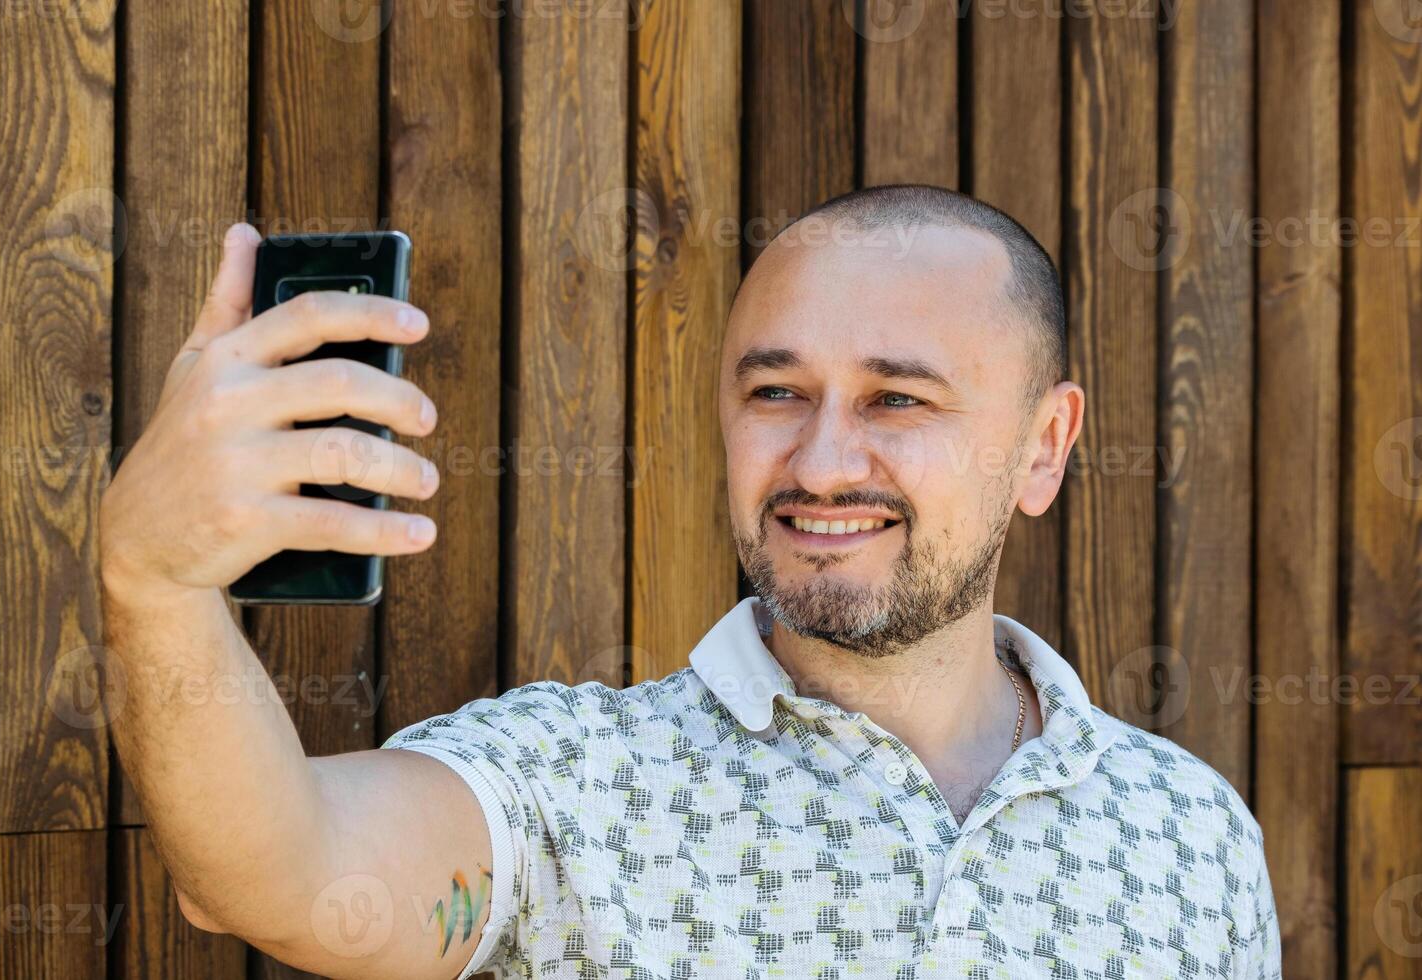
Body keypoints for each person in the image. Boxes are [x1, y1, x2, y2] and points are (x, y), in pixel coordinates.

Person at [99, 184, 1281, 978]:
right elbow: (281, 869)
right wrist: (153, 581)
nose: (819, 461)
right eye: (776, 392)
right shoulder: (574, 784)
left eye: (896, 399)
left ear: (1044, 444)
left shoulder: (1190, 829)